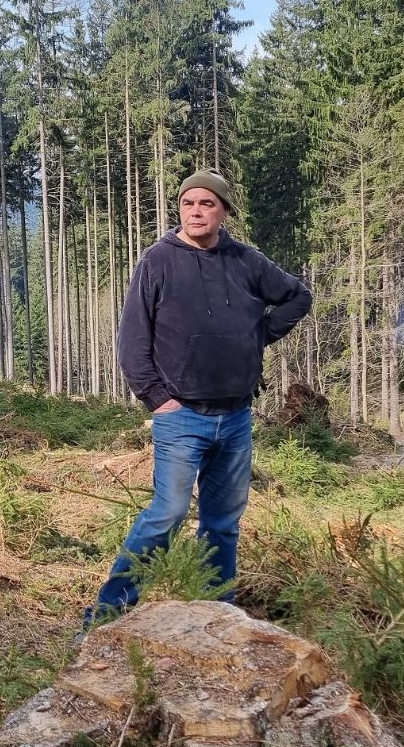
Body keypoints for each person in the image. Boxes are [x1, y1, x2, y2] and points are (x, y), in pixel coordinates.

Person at [83, 171, 312, 633]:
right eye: (188, 203)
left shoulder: (247, 261)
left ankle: (216, 613)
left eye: (206, 203)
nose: (195, 210)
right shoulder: (159, 261)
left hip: (236, 416)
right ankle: (108, 614)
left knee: (223, 523)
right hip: (181, 415)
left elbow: (297, 296)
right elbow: (132, 339)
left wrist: (258, 336)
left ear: (224, 211)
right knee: (166, 514)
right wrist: (156, 398)